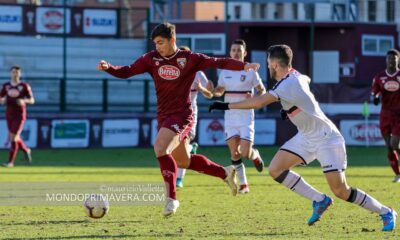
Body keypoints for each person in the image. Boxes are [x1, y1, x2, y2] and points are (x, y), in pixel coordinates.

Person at [209, 44, 397, 231]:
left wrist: (226, 106)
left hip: (326, 139)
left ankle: (386, 212)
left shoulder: (287, 84)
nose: (267, 67)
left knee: (341, 190)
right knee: (275, 169)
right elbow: (305, 82)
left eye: (268, 63)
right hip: (306, 137)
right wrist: (288, 108)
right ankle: (319, 199)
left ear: (275, 64)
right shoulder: (295, 75)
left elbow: (258, 102)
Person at [96, 22, 260, 216]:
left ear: (172, 40)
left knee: (160, 148)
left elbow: (220, 62)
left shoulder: (189, 59)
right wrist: (109, 68)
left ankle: (171, 199)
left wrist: (245, 66)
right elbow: (128, 71)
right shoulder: (151, 59)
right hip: (164, 116)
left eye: (161, 42)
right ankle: (224, 172)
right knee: (183, 161)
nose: (157, 47)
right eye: (155, 43)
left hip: (183, 115)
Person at [212, 39, 266, 194]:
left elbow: (262, 90)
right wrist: (211, 91)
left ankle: (255, 155)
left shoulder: (251, 72)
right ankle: (244, 184)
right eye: (233, 50)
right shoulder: (224, 72)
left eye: (239, 50)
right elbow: (219, 91)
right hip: (230, 117)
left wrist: (257, 98)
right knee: (234, 153)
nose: (236, 52)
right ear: (230, 53)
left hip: (246, 117)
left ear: (244, 53)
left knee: (245, 152)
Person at [176, 45, 214, 188]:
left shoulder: (198, 73)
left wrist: (202, 88)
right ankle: (191, 149)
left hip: (191, 113)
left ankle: (179, 179)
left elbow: (210, 94)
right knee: (178, 146)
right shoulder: (175, 72)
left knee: (182, 145)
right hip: (176, 113)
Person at [371, 49, 400, 183]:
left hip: (398, 114)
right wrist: (375, 98)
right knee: (389, 146)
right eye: (389, 59)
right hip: (385, 114)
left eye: (393, 59)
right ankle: (398, 174)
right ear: (386, 60)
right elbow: (374, 93)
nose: (391, 61)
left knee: (394, 144)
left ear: (397, 60)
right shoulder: (379, 77)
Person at [0, 65, 34, 167]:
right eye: (13, 72)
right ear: (10, 73)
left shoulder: (24, 86)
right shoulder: (6, 86)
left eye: (17, 72)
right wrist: (2, 100)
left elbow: (32, 100)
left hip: (19, 114)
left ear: (20, 73)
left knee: (14, 138)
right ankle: (26, 149)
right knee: (14, 137)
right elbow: (1, 99)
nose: (15, 74)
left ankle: (10, 162)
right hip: (9, 114)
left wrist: (24, 101)